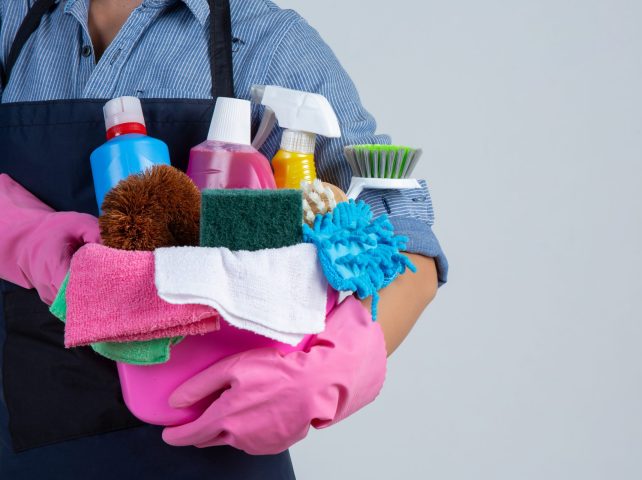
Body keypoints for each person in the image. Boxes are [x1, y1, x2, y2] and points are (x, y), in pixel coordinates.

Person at [0, 0, 448, 478]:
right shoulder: (14, 19)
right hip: (25, 439)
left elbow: (407, 250)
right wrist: (24, 233)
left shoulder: (267, 42)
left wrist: (336, 369)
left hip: (209, 442)